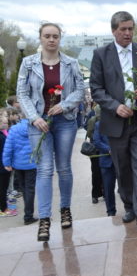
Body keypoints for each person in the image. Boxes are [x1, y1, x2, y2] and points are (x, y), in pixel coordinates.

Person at [89, 11, 137, 232]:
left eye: (131, 29)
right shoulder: (101, 54)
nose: (128, 33)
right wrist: (114, 106)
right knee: (123, 167)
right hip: (115, 121)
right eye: (123, 29)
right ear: (114, 31)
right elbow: (96, 89)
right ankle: (130, 204)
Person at [17, 22, 85, 241]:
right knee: (45, 169)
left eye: (55, 36)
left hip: (64, 121)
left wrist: (64, 105)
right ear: (40, 38)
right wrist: (34, 118)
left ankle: (65, 209)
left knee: (64, 168)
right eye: (47, 36)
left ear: (60, 39)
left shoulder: (71, 63)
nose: (51, 40)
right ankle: (44, 220)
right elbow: (22, 93)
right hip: (39, 124)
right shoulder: (28, 63)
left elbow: (80, 90)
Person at [2, 112, 37, 223]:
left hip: (18, 164)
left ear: (20, 117)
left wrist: (7, 163)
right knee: (30, 189)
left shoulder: (14, 129)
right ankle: (28, 215)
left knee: (23, 188)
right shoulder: (35, 127)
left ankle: (28, 214)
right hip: (31, 163)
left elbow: (8, 147)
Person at [92, 121, 117, 216]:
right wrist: (109, 149)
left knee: (125, 187)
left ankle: (130, 209)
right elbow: (97, 142)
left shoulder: (121, 122)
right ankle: (111, 212)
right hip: (106, 162)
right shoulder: (99, 124)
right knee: (108, 189)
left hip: (120, 161)